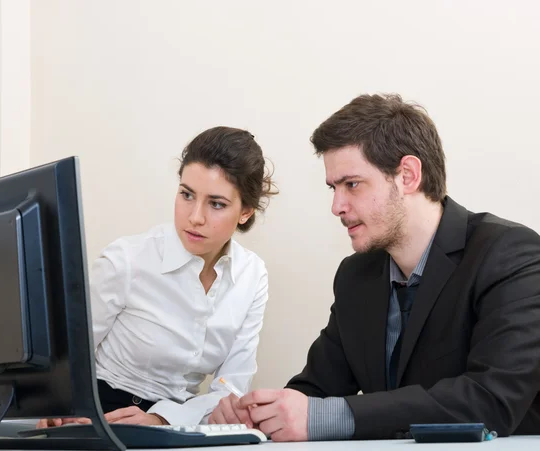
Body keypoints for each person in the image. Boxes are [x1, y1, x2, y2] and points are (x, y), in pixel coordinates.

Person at [210, 94, 540, 441]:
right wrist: (258, 413)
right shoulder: (356, 276)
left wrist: (322, 416)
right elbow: (315, 392)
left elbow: (491, 400)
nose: (337, 206)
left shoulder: (510, 255)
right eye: (333, 188)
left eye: (352, 184)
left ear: (408, 176)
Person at [38, 126, 277, 428]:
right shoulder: (127, 259)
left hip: (175, 423)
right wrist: (56, 409)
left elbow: (230, 390)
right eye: (187, 195)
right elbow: (64, 361)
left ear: (245, 212)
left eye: (216, 204)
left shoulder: (252, 276)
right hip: (98, 412)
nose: (195, 217)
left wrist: (161, 419)